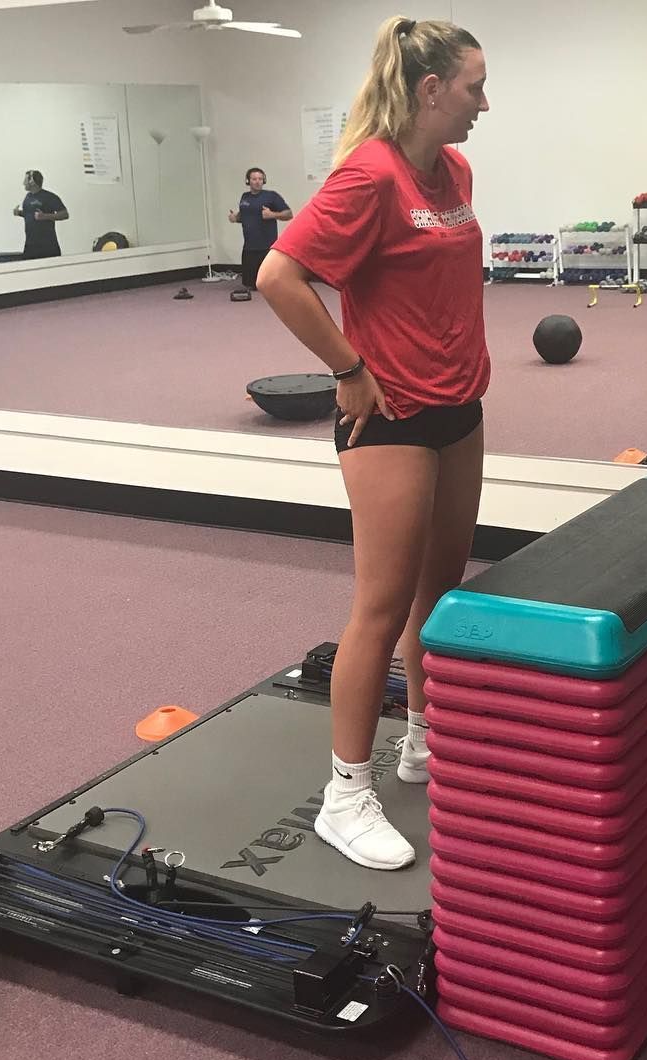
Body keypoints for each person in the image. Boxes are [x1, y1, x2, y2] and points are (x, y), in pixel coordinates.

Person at [257, 16, 489, 871]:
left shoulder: (453, 167)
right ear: (431, 90)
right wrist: (347, 368)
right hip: (387, 416)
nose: (483, 103)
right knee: (381, 607)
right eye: (473, 86)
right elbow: (278, 276)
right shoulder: (369, 175)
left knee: (442, 588)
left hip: (459, 407)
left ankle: (422, 741)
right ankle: (344, 795)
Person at [228, 168, 292, 289]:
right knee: (250, 284)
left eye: (260, 179)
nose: (257, 182)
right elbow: (245, 215)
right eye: (254, 179)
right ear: (248, 181)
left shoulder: (271, 196)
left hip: (266, 246)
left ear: (264, 180)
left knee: (268, 283)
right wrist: (235, 218)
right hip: (249, 246)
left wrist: (272, 215)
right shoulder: (245, 197)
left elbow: (289, 214)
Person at [13, 170, 68, 259]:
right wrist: (19, 213)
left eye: (26, 180)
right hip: (30, 245)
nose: (23, 183)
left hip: (47, 246)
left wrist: (45, 216)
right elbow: (30, 214)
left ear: (32, 181)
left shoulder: (49, 197)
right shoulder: (28, 197)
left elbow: (65, 214)